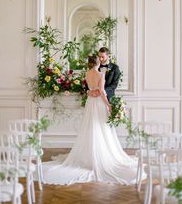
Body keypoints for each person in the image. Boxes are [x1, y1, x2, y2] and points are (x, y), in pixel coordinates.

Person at [40, 55, 140, 185]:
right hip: (98, 103)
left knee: (90, 126)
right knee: (100, 126)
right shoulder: (100, 75)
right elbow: (102, 92)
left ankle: (89, 155)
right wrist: (108, 105)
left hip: (90, 102)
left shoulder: (87, 74)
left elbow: (88, 89)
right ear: (98, 63)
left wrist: (89, 93)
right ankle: (99, 156)